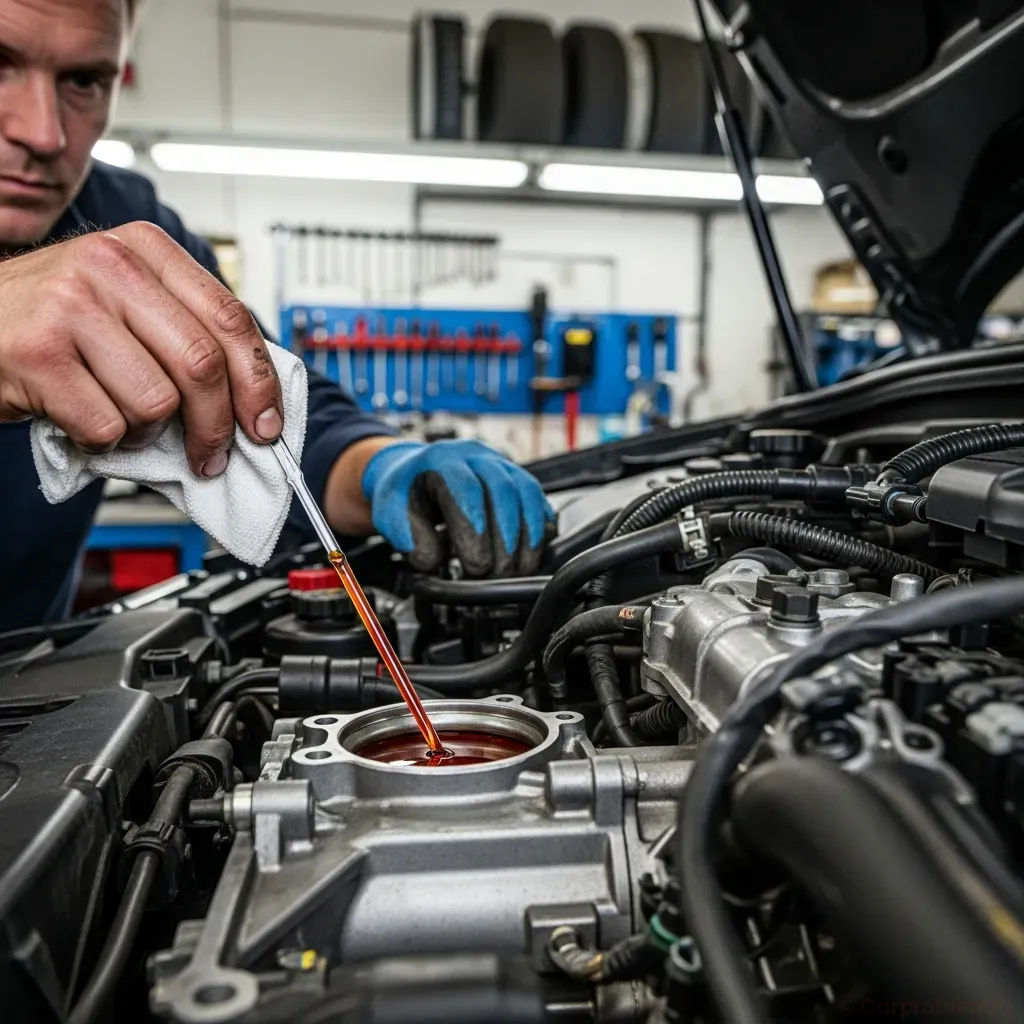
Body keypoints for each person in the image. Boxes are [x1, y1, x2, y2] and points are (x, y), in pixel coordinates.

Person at [0, 0, 553, 631]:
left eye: (83, 81)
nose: (44, 133)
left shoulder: (121, 223)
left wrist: (377, 467)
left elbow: (268, 422)